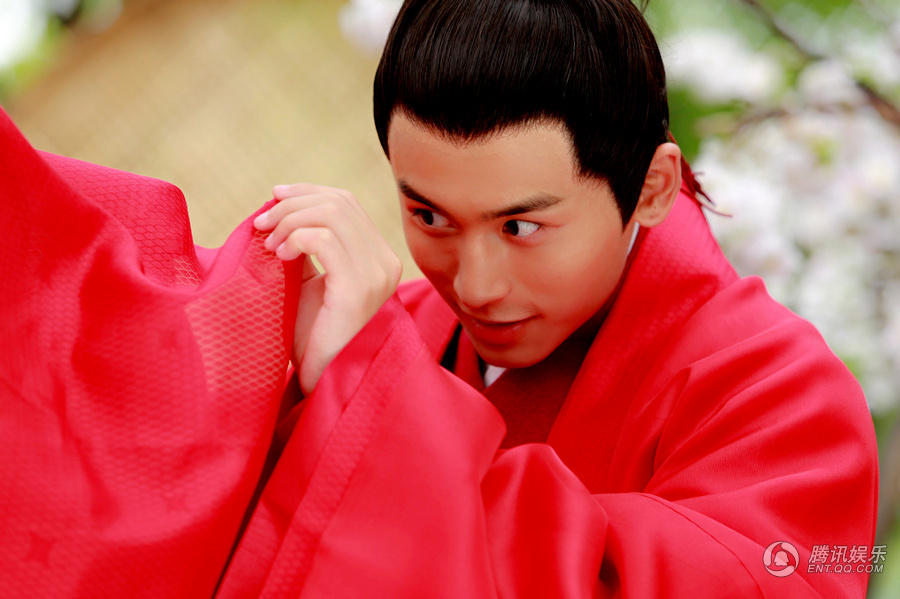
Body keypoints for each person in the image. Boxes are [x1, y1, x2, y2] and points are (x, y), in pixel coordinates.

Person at [223, 0, 878, 597]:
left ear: (652, 187)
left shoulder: (784, 397)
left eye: (520, 227)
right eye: (430, 216)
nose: (475, 286)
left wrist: (375, 419)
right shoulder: (382, 334)